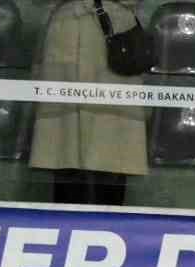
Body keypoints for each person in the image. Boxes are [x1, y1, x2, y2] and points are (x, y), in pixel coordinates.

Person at [30, 0, 147, 205]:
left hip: (113, 36)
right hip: (67, 33)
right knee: (64, 153)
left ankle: (112, 229)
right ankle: (65, 229)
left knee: (113, 153)